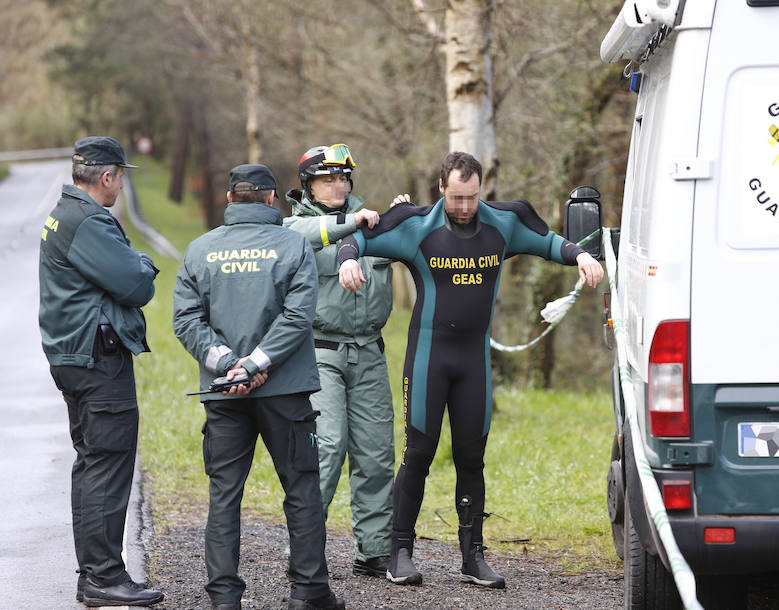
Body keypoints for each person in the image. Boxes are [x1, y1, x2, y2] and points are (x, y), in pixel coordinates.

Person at [338, 151, 604, 589]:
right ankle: (399, 552)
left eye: (472, 197)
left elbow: (551, 242)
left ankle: (472, 557)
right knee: (418, 452)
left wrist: (581, 256)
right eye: (457, 197)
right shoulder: (415, 225)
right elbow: (360, 239)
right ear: (441, 189)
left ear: (482, 190)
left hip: (473, 361)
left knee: (471, 457)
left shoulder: (505, 222)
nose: (464, 207)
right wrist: (349, 259)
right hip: (429, 357)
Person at [173, 164, 344, 610]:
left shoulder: (199, 250)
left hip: (223, 391)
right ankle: (309, 593)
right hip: (284, 392)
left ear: (230, 200)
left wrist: (229, 366)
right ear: (271, 200)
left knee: (224, 493)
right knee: (302, 488)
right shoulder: (293, 245)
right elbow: (298, 316)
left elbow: (186, 321)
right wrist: (255, 364)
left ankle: (224, 597)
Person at [38, 136, 164, 607]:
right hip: (97, 359)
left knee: (93, 464)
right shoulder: (89, 220)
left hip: (74, 355)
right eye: (121, 175)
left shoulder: (63, 212)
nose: (121, 184)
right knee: (108, 466)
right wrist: (145, 262)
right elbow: (136, 284)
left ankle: (94, 574)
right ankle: (104, 576)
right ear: (107, 176)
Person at [283, 144, 395, 578]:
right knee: (326, 449)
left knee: (375, 452)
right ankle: (307, 550)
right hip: (319, 353)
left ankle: (375, 550)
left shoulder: (374, 225)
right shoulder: (294, 228)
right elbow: (302, 237)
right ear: (308, 185)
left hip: (369, 350)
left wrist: (401, 216)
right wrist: (352, 226)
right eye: (328, 179)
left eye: (344, 178)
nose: (338, 185)